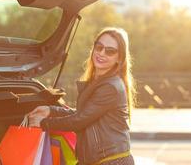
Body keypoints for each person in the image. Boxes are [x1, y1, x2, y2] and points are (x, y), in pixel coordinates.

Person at [28, 27, 136, 165]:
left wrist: (43, 123)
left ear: (119, 59)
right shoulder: (99, 82)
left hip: (112, 161)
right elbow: (85, 115)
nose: (102, 53)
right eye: (99, 47)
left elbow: (80, 120)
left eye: (110, 51)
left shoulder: (110, 87)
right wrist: (51, 110)